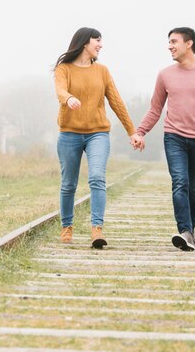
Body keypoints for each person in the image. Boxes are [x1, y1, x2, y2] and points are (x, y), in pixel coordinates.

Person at [136, 27, 195, 251]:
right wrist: (140, 132)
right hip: (174, 136)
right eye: (169, 42)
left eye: (173, 41)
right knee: (180, 182)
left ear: (189, 44)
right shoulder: (165, 74)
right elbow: (155, 109)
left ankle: (190, 231)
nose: (169, 46)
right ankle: (184, 230)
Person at [54, 27, 142, 248]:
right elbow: (60, 90)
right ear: (85, 42)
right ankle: (67, 228)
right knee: (68, 184)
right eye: (97, 41)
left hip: (98, 133)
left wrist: (132, 131)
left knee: (97, 178)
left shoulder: (102, 71)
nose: (100, 45)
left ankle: (97, 230)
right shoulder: (63, 69)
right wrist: (68, 98)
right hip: (69, 134)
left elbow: (116, 102)